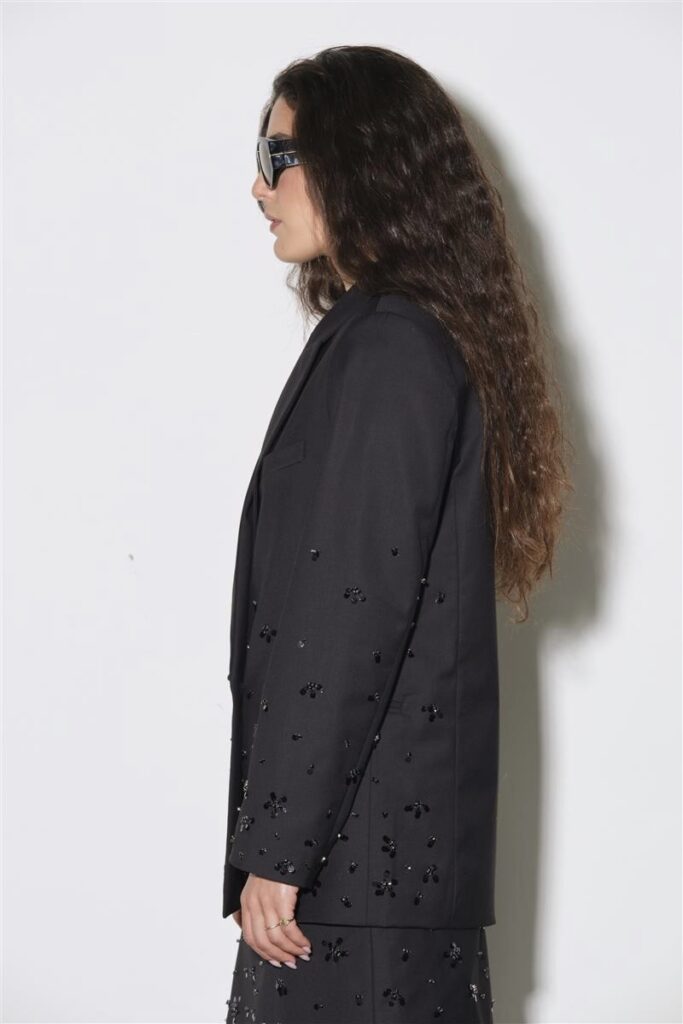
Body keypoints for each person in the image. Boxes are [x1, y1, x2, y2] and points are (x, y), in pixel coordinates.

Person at [222, 44, 572, 1024]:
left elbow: (348, 611)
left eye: (279, 156)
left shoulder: (388, 345)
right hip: (366, 870)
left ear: (360, 161)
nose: (258, 186)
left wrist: (279, 846)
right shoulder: (391, 334)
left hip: (354, 879)